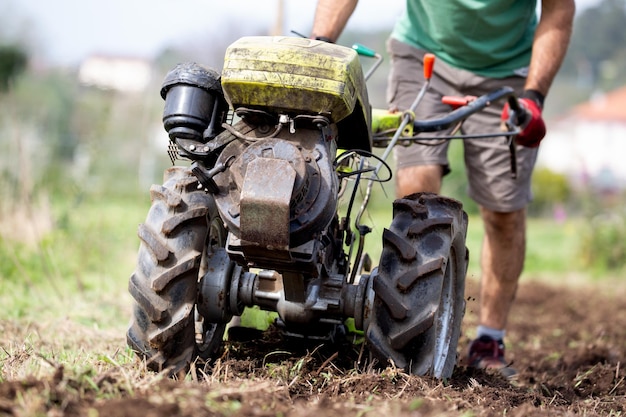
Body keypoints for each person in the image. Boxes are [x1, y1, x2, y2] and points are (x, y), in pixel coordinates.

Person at [311, 0, 575, 377]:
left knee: (503, 212)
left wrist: (534, 95)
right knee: (417, 186)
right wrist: (322, 42)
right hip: (423, 56)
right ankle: (411, 329)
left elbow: (559, 11)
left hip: (510, 73)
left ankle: (489, 339)